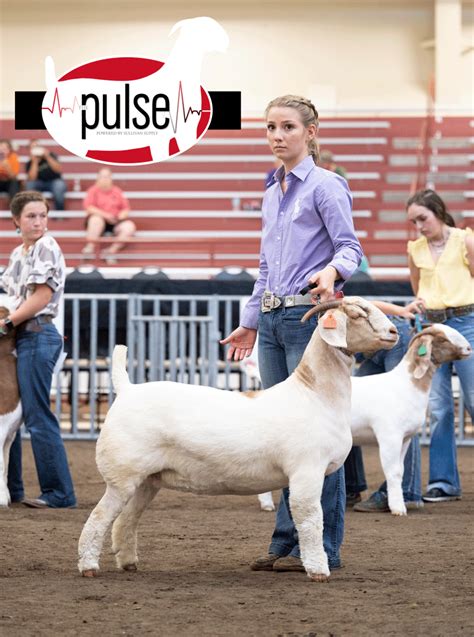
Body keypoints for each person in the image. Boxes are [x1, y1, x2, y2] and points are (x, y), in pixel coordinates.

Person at [220, 95, 363, 574]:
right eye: (270, 128)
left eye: (287, 127)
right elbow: (265, 268)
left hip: (311, 321)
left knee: (318, 443)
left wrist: (330, 274)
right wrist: (250, 320)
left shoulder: (327, 186)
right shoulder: (271, 191)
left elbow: (350, 249)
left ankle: (322, 547)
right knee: (285, 439)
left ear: (311, 132)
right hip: (274, 322)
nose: (277, 136)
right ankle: (287, 542)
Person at [0, 191, 76, 508]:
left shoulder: (47, 246)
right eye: (32, 216)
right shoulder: (19, 253)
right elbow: (8, 296)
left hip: (37, 332)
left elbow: (41, 297)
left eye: (43, 215)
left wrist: (6, 324)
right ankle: (11, 489)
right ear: (16, 220)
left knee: (36, 415)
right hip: (22, 335)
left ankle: (60, 494)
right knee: (12, 416)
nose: (39, 222)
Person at [406, 189, 473, 502]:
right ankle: (443, 483)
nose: (419, 225)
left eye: (423, 218)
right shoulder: (415, 248)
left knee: (473, 400)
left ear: (438, 211)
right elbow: (417, 285)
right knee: (439, 406)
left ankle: (445, 482)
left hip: (467, 322)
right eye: (414, 221)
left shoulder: (465, 240)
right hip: (432, 327)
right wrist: (421, 302)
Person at [346, 299, 426, 512]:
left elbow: (365, 303)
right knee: (347, 406)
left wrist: (401, 311)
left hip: (390, 338)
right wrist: (401, 310)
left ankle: (408, 491)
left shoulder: (320, 293)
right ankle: (350, 487)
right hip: (375, 344)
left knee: (401, 415)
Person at [82, 168, 136, 263]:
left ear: (111, 178)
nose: (105, 179)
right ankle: (90, 248)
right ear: (97, 178)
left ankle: (111, 251)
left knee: (129, 226)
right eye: (102, 177)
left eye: (107, 177)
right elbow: (89, 207)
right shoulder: (93, 191)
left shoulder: (117, 191)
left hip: (114, 222)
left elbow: (126, 209)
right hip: (98, 221)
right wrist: (106, 215)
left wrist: (119, 216)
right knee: (96, 219)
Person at [25, 139, 67, 211]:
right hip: (38, 183)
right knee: (29, 185)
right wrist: (34, 162)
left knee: (59, 186)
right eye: (33, 148)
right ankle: (33, 211)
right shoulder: (29, 162)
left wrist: (47, 156)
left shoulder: (51, 156)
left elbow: (58, 169)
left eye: (37, 147)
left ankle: (60, 213)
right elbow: (32, 178)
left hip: (54, 181)